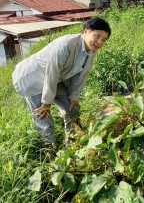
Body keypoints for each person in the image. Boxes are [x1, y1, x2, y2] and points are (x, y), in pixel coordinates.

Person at [12, 17, 111, 150]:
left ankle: (72, 144)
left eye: (104, 39)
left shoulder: (91, 51)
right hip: (32, 78)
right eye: (97, 36)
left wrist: (73, 97)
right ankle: (50, 151)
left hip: (54, 79)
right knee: (44, 118)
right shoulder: (66, 44)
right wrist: (47, 102)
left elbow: (83, 75)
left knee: (73, 109)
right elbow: (52, 71)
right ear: (86, 31)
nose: (99, 42)